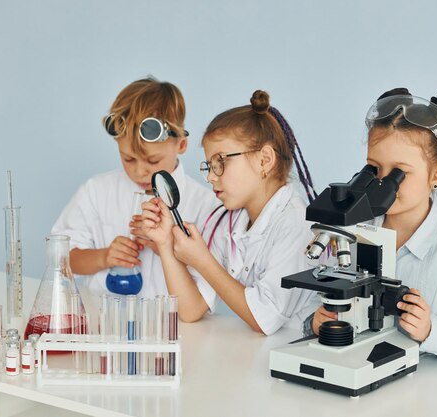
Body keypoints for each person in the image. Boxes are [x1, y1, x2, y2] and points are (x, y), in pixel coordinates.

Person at [307, 88, 437, 365]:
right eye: (373, 169)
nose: (382, 183)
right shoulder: (354, 234)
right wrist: (316, 321)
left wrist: (431, 331)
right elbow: (323, 298)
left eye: (400, 173)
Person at [137, 90, 319, 335]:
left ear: (264, 160)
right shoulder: (227, 220)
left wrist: (202, 260)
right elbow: (190, 310)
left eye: (220, 162)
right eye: (209, 166)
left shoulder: (297, 222)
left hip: (298, 352)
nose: (211, 176)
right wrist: (165, 244)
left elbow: (263, 320)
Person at [51, 76, 219, 301]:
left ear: (181, 144)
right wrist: (104, 257)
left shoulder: (205, 205)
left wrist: (165, 246)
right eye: (128, 159)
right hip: (105, 324)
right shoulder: (97, 191)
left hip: (177, 329)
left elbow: (206, 287)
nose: (140, 172)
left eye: (153, 161)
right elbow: (60, 260)